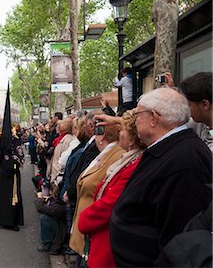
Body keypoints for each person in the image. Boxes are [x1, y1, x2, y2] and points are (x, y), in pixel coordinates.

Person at [110, 88, 212, 267]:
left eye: (138, 114)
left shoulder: (186, 161)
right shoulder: (170, 149)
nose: (135, 120)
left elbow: (181, 240)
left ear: (153, 118)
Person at [78, 110, 146, 267]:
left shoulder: (134, 164)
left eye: (122, 130)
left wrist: (85, 218)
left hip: (107, 241)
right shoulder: (129, 160)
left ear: (132, 137)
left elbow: (111, 202)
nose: (119, 134)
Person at [69, 120, 124, 259]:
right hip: (86, 225)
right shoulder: (104, 155)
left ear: (102, 136)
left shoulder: (116, 156)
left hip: (93, 227)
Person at [0, 86, 24, 231]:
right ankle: (8, 220)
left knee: (9, 195)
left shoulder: (9, 141)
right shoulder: (14, 141)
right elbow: (18, 156)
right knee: (9, 196)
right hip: (9, 173)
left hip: (9, 173)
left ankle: (6, 219)